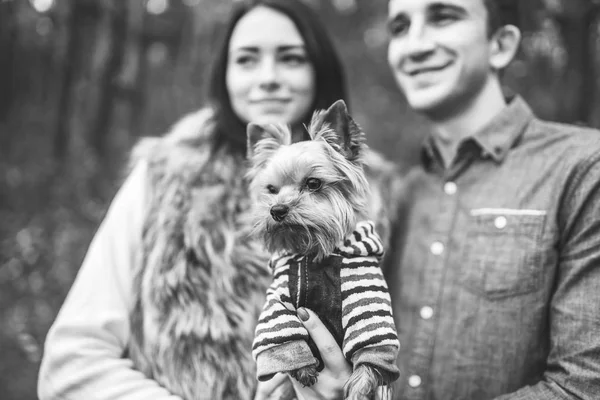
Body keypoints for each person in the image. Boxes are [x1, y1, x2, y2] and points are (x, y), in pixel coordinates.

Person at [36, 1, 401, 400]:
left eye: (291, 58)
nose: (268, 78)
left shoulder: (382, 197)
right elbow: (71, 364)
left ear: (320, 69)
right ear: (224, 75)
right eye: (246, 59)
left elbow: (399, 352)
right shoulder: (164, 177)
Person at [382, 0, 600, 399]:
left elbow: (583, 389)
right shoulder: (395, 193)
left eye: (443, 17)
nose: (413, 46)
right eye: (399, 27)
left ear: (500, 44)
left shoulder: (584, 168)